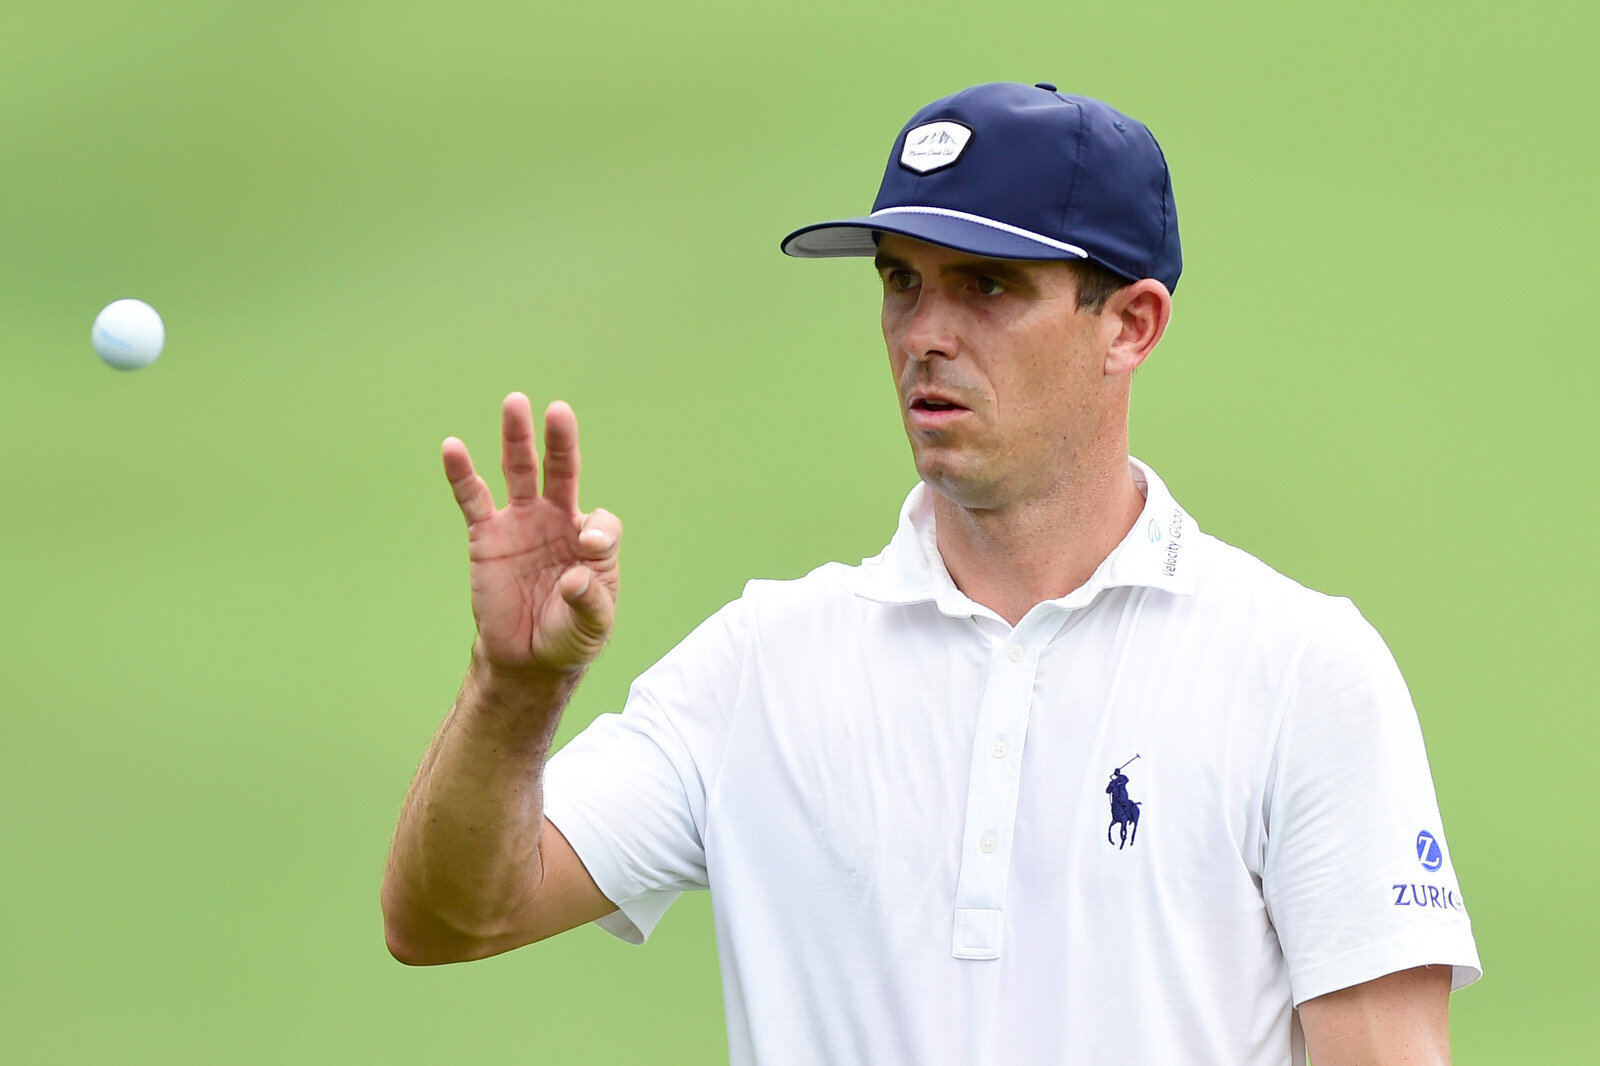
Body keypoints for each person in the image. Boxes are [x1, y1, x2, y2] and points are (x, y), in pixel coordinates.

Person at [382, 82, 1480, 1064]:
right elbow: (449, 918)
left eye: (988, 287)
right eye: (902, 283)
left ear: (1129, 325)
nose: (924, 334)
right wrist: (512, 694)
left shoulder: (1298, 668)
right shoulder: (760, 663)